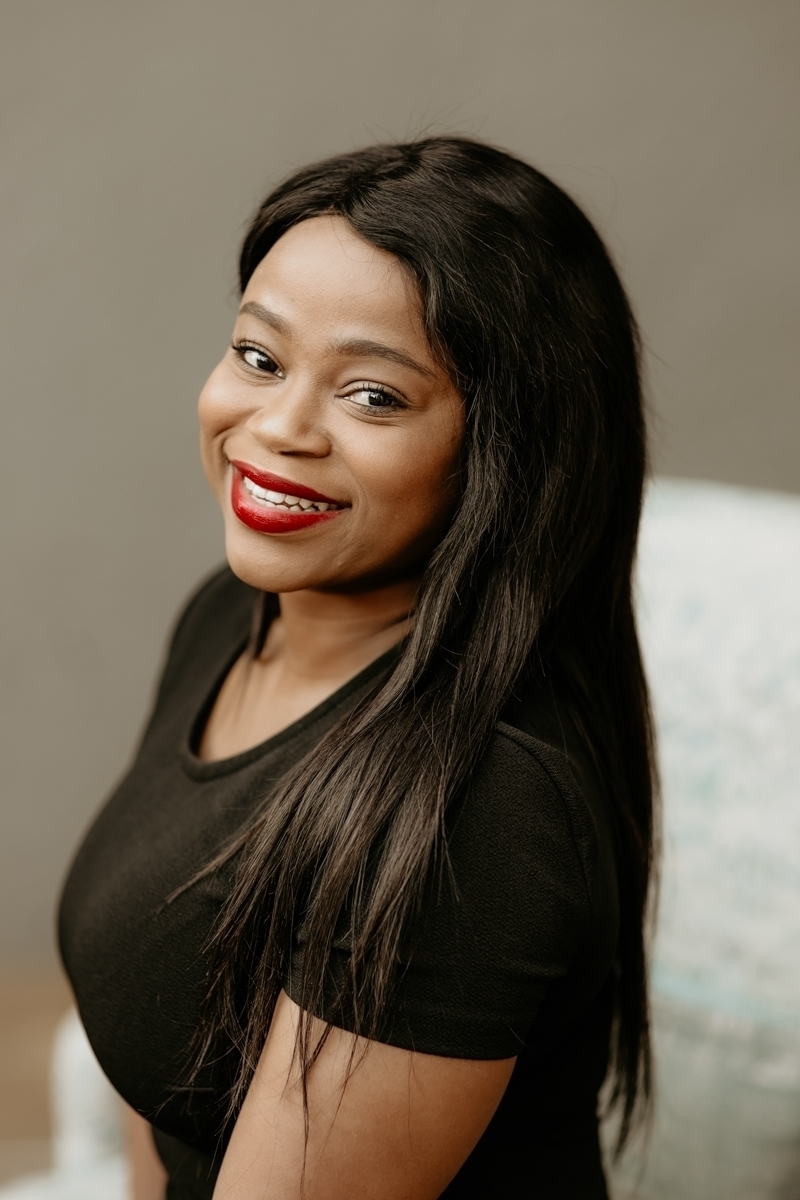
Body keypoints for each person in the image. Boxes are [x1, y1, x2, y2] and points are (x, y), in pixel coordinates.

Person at [58, 137, 658, 1199]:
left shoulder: (474, 808)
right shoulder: (234, 615)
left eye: (373, 396)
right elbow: (162, 1073)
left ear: (506, 457)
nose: (278, 427)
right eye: (259, 356)